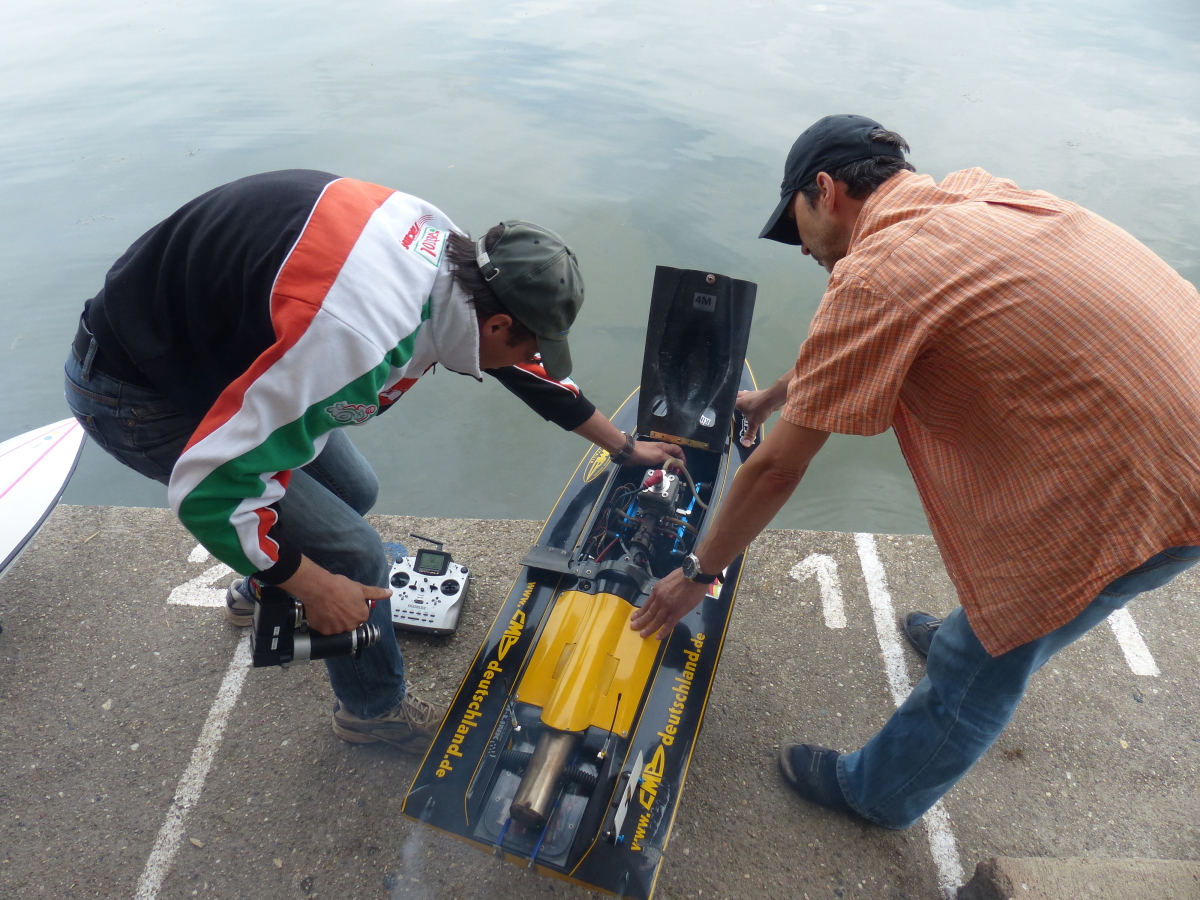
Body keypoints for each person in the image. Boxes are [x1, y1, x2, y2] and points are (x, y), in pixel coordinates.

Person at [630, 115, 1200, 829]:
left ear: (825, 190)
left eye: (795, 222)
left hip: (1157, 478)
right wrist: (777, 396)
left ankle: (878, 793)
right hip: (1168, 417)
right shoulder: (976, 197)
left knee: (981, 660)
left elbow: (776, 470)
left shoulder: (880, 272)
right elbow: (870, 335)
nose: (800, 245)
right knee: (1007, 604)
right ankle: (979, 631)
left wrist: (699, 572)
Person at [65, 169, 682, 753]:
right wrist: (316, 586)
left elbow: (526, 371)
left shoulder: (448, 255)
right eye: (529, 344)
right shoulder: (354, 339)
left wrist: (624, 448)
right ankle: (371, 712)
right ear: (497, 324)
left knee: (354, 488)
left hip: (217, 352)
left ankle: (259, 592)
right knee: (354, 554)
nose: (529, 359)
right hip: (139, 394)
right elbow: (211, 493)